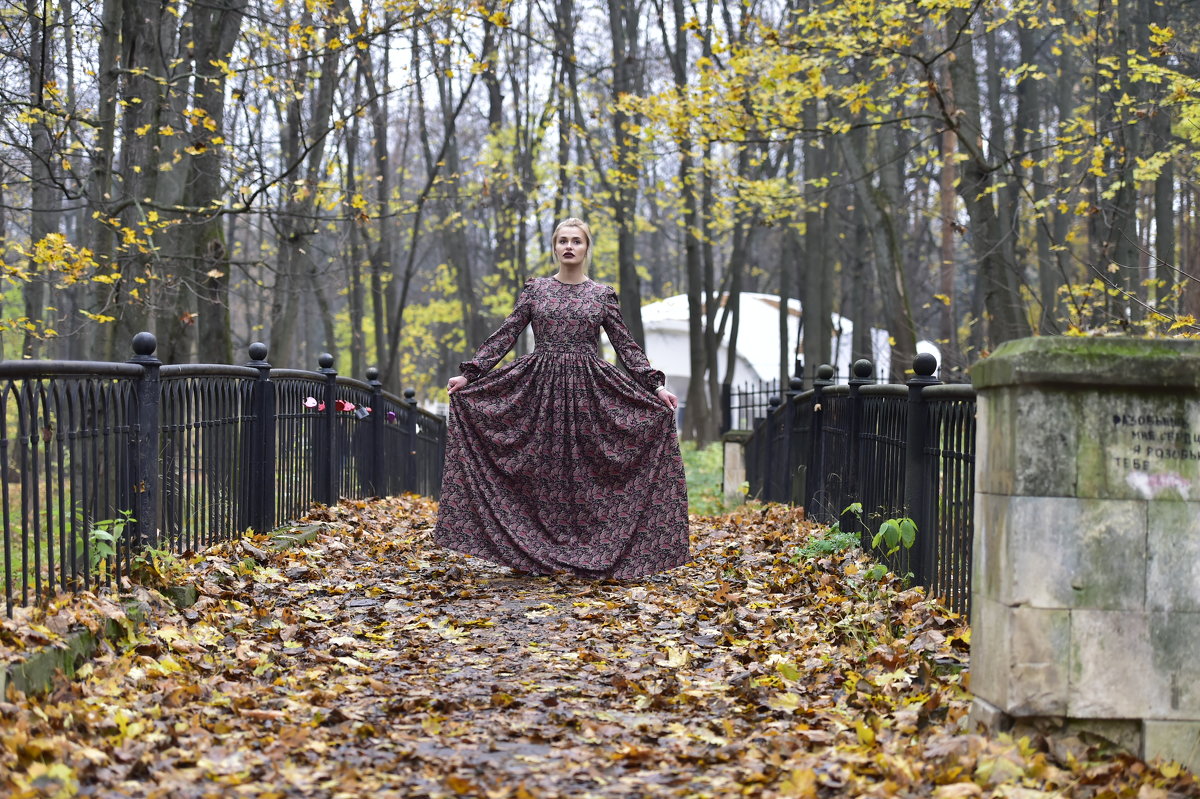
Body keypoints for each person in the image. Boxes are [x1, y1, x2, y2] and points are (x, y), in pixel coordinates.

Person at [433, 218, 690, 579]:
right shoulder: (536, 290)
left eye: (577, 241)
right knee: (541, 471)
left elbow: (626, 346)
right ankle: (535, 551)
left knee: (587, 474)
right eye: (563, 241)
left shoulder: (602, 295)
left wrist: (655, 386)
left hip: (589, 393)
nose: (569, 247)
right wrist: (472, 373)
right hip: (539, 390)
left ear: (586, 248)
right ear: (554, 248)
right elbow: (506, 334)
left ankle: (590, 549)